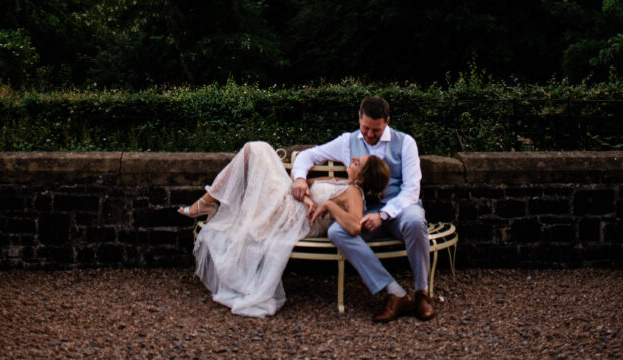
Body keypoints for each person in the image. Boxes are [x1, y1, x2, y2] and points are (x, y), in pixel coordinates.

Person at [178, 140, 390, 317]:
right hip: (291, 204)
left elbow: (353, 226)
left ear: (361, 178)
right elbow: (306, 183)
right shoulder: (341, 181)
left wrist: (329, 205)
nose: (352, 160)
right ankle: (208, 201)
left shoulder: (354, 193)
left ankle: (206, 202)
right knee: (255, 148)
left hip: (292, 218)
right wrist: (307, 199)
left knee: (256, 150)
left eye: (357, 163)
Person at [291, 95, 435, 323]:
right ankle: (395, 292)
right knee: (337, 232)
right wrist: (299, 179)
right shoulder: (347, 142)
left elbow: (411, 189)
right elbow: (308, 155)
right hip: (366, 210)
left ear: (387, 121)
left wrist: (384, 214)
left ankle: (422, 293)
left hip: (401, 208)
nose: (369, 135)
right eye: (365, 128)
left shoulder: (405, 142)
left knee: (416, 222)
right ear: (359, 118)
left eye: (375, 130)